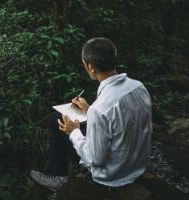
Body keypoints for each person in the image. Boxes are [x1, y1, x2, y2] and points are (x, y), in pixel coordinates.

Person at [30, 37, 152, 192]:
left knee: (55, 120)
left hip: (112, 175)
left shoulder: (99, 109)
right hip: (136, 165)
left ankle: (58, 177)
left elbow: (95, 159)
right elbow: (118, 119)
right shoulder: (138, 87)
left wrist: (73, 131)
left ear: (91, 67)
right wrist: (89, 110)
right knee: (59, 118)